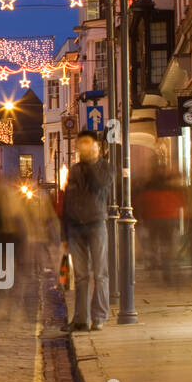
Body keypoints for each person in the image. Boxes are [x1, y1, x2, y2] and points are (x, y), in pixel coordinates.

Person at [61, 130, 113, 332]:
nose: (82, 146)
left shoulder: (105, 168)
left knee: (100, 273)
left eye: (86, 143)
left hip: (96, 224)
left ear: (95, 146)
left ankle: (99, 317)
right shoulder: (74, 170)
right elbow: (67, 201)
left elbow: (99, 185)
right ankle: (81, 319)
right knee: (81, 276)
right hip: (75, 227)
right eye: (80, 143)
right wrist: (63, 235)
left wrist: (91, 163)